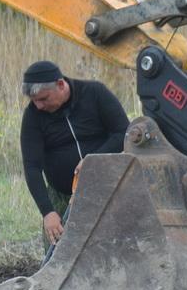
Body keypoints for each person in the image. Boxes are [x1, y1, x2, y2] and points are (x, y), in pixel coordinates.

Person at [19, 60, 130, 250]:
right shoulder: (32, 116)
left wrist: (92, 160)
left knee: (114, 248)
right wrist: (48, 213)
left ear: (61, 85)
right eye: (34, 100)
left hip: (108, 190)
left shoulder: (95, 93)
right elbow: (32, 167)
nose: (38, 106)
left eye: (43, 98)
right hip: (63, 196)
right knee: (57, 253)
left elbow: (123, 133)